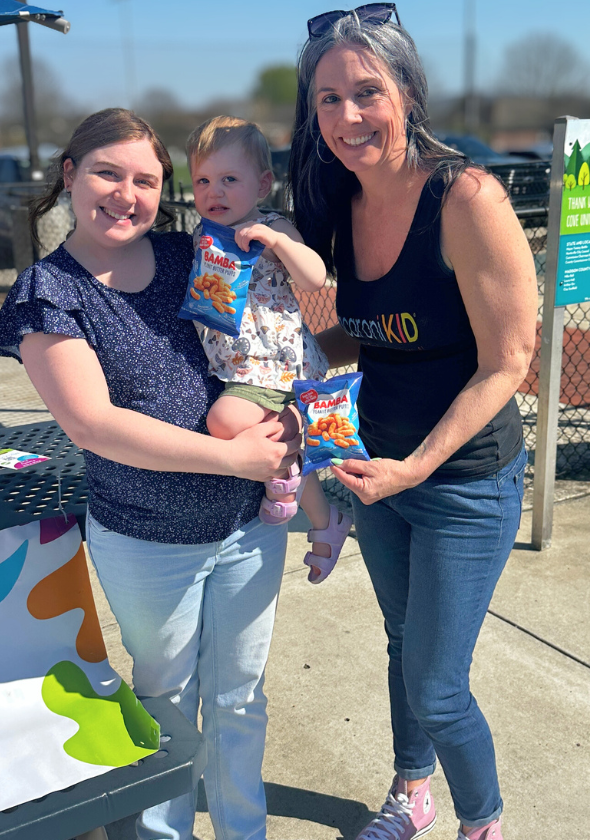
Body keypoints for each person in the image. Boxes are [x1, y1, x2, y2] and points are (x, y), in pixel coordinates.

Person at [0, 108, 302, 840]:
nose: (126, 194)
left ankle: (244, 830)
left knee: (240, 698)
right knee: (167, 696)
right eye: (108, 173)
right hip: (147, 541)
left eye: (145, 180)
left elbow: (274, 330)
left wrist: (294, 407)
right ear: (70, 174)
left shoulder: (189, 252)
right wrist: (232, 456)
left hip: (246, 528)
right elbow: (92, 424)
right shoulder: (50, 291)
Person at [289, 6, 538, 840]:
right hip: (379, 472)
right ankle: (411, 791)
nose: (348, 116)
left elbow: (510, 360)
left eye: (367, 91)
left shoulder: (465, 199)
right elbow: (356, 338)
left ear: (407, 91)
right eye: (328, 99)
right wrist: (289, 373)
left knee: (438, 686)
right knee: (403, 644)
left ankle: (482, 822)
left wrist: (419, 466)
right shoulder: (336, 200)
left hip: (462, 480)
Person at [186, 115, 351, 583]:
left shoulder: (270, 225)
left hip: (276, 363)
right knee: (285, 451)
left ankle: (290, 455)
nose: (214, 191)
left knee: (225, 421)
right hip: (239, 365)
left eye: (229, 179)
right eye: (203, 180)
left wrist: (278, 241)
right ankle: (326, 519)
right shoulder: (202, 233)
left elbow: (315, 278)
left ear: (262, 185)